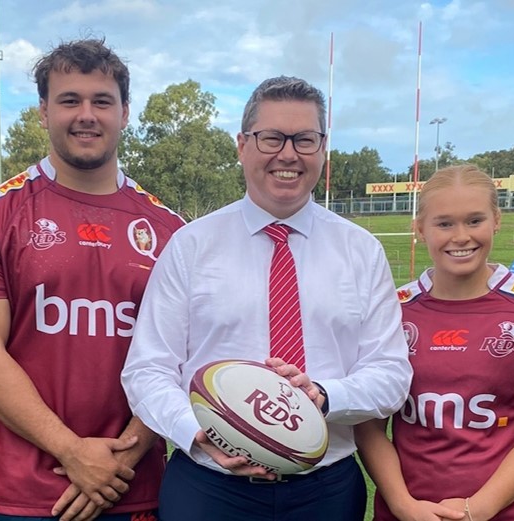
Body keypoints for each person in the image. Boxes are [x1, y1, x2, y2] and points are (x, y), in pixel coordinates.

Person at [120, 75, 413, 521]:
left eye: (305, 139)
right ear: (242, 145)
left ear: (323, 147)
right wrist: (197, 429)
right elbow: (148, 368)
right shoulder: (191, 245)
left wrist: (324, 396)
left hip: (326, 490)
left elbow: (391, 373)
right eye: (272, 137)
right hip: (209, 488)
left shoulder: (360, 250)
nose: (288, 154)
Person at [0, 38, 185, 521]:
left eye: (102, 101)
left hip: (133, 485)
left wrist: (125, 456)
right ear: (42, 111)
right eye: (69, 100)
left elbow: (184, 359)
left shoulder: (171, 231)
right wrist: (72, 451)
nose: (86, 115)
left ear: (125, 112)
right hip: (17, 488)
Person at [354, 165, 514, 521]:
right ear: (420, 229)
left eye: (474, 221)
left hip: (506, 513)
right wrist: (402, 505)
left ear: (496, 220)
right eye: (444, 224)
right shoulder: (392, 310)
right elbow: (368, 427)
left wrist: (479, 508)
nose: (461, 237)